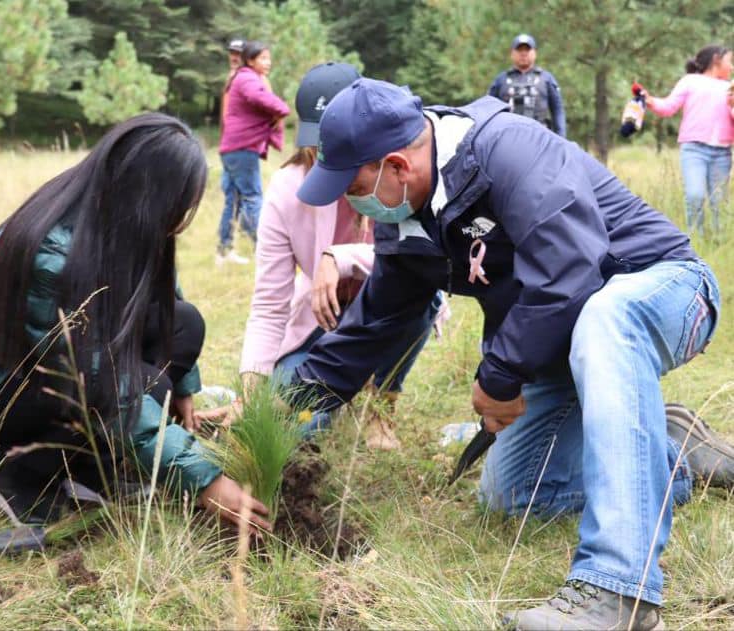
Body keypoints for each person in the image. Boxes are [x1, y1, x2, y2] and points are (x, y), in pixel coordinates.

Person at [286, 78, 732, 629]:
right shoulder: (405, 223)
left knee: (604, 316)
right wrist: (281, 413)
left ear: (397, 166)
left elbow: (571, 273)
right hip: (565, 344)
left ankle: (619, 590)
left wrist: (497, 377)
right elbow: (368, 330)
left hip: (662, 289)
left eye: (353, 185)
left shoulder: (509, 150)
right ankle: (674, 452)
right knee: (513, 495)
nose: (350, 201)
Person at [0, 113, 270, 534]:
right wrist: (206, 481)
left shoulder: (125, 223)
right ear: (150, 199)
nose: (183, 217)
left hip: (43, 361)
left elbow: (164, 303)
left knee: (182, 327)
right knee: (136, 384)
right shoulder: (57, 255)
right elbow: (101, 382)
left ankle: (91, 467)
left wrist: (185, 390)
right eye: (181, 205)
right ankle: (20, 476)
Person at [229, 62, 446, 450]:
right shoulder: (286, 191)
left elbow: (421, 260)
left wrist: (341, 257)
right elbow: (269, 304)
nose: (321, 152)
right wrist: (252, 389)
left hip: (382, 312)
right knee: (300, 424)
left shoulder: (397, 181)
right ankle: (334, 389)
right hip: (317, 326)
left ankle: (381, 406)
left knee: (423, 297)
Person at [643, 44, 734, 237]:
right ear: (716, 60)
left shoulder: (730, 88)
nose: (732, 67)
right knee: (695, 195)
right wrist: (650, 101)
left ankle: (720, 238)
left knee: (720, 200)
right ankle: (695, 237)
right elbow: (668, 106)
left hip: (722, 152)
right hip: (694, 150)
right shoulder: (690, 81)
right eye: (730, 62)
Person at [217, 40, 290, 266]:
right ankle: (265, 250)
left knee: (234, 201)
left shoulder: (240, 77)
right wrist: (283, 109)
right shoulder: (248, 78)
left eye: (269, 58)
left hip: (231, 148)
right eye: (263, 58)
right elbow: (260, 98)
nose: (268, 62)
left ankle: (224, 251)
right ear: (250, 60)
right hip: (241, 148)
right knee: (253, 198)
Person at [489, 33, 566, 137]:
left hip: (539, 138)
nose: (523, 53)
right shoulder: (501, 80)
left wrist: (561, 138)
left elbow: (558, 110)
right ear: (512, 53)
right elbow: (489, 110)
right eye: (519, 50)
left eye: (527, 50)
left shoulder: (546, 79)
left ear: (535, 53)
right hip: (507, 138)